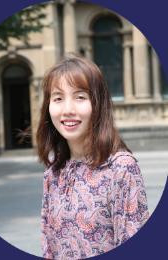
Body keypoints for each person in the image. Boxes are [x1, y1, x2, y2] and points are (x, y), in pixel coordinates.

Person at [36, 53, 149, 259]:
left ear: (98, 104)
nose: (67, 110)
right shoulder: (53, 174)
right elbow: (48, 248)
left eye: (80, 97)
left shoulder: (121, 168)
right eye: (58, 98)